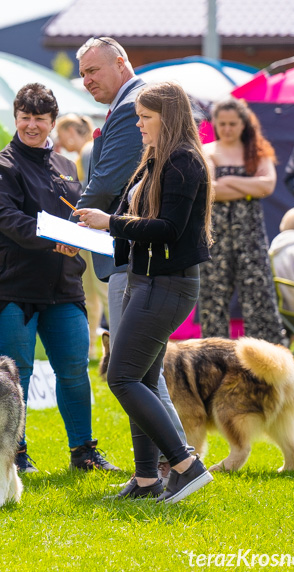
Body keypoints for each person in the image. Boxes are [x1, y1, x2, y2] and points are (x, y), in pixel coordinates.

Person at [76, 81, 215, 503]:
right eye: (137, 117)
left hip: (167, 284)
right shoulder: (156, 159)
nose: (138, 125)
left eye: (145, 117)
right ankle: (147, 480)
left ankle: (186, 466)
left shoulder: (184, 162)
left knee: (122, 376)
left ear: (168, 118)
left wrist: (110, 223)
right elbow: (133, 221)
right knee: (142, 378)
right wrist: (85, 229)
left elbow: (168, 230)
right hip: (145, 281)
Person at [0, 83, 118, 475]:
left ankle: (84, 454)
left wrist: (84, 235)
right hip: (12, 288)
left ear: (53, 122)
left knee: (74, 368)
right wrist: (54, 238)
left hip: (63, 287)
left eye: (40, 119)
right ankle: (14, 456)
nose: (32, 126)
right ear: (16, 118)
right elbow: (6, 220)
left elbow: (77, 216)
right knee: (15, 374)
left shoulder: (66, 166)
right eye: (25, 118)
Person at [74, 36, 187, 477]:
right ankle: (165, 466)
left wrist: (77, 221)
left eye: (93, 71)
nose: (86, 80)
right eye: (82, 74)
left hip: (131, 258)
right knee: (141, 373)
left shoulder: (128, 107)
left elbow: (105, 182)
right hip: (132, 259)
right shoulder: (126, 106)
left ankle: (173, 463)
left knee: (132, 374)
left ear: (121, 63)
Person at [199, 98, 287, 345]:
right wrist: (250, 186)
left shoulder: (257, 150)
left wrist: (229, 182)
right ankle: (215, 355)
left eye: (232, 124)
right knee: (213, 295)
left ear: (243, 124)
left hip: (250, 233)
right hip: (216, 234)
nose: (227, 129)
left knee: (258, 292)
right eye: (222, 124)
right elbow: (210, 191)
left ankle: (268, 352)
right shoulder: (208, 151)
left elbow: (267, 185)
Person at [56, 114, 108, 358]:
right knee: (92, 293)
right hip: (89, 230)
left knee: (100, 291)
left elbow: (90, 190)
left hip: (91, 231)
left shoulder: (86, 151)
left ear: (68, 132)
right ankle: (92, 351)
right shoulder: (85, 151)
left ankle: (111, 348)